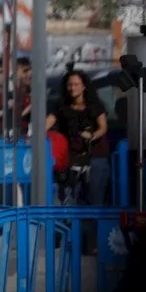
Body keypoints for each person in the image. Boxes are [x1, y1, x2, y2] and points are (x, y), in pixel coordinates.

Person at [46, 70, 110, 205]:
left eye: (76, 84)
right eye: (70, 85)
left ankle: (94, 225)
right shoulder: (62, 107)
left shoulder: (94, 105)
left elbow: (103, 127)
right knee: (68, 197)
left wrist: (92, 136)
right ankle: (68, 225)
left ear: (83, 86)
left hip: (95, 156)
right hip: (72, 157)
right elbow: (48, 121)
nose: (72, 88)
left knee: (95, 198)